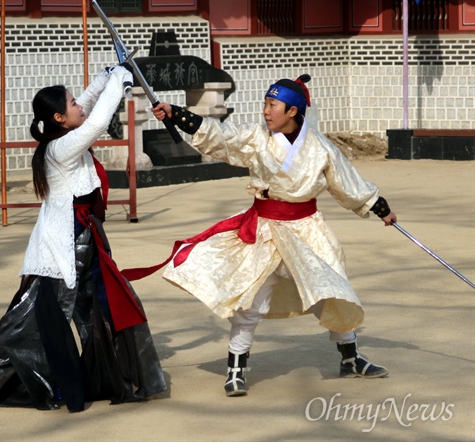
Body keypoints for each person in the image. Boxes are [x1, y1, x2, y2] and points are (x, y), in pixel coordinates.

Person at [141, 73, 396, 397]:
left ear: (292, 111)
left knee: (330, 289)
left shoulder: (320, 148)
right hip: (265, 229)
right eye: (265, 103)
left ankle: (351, 358)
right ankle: (235, 369)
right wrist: (177, 114)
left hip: (308, 231)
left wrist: (379, 206)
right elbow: (219, 136)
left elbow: (347, 182)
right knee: (252, 299)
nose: (265, 110)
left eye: (273, 104)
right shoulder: (256, 138)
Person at [0, 65, 167, 413]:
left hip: (88, 244)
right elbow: (97, 122)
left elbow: (85, 106)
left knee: (101, 314)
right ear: (58, 117)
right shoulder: (60, 150)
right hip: (60, 253)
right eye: (71, 104)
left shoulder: (65, 133)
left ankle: (114, 379)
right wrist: (119, 82)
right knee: (31, 327)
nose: (79, 106)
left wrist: (105, 76)